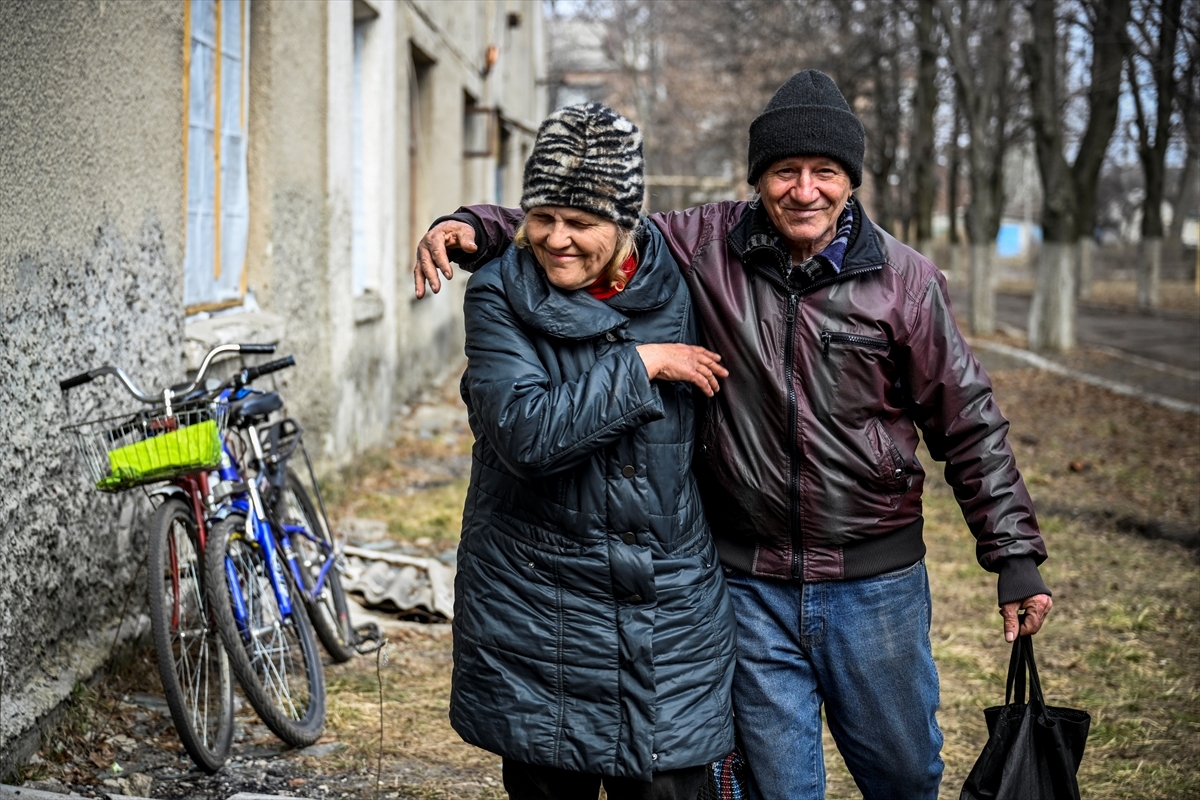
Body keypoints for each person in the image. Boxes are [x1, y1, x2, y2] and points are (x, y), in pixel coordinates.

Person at [416, 72, 1053, 800]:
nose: (804, 190)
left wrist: (1015, 555)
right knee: (779, 788)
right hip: (749, 581)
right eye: (785, 171)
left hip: (873, 581)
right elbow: (587, 221)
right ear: (760, 180)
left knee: (904, 774)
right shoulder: (706, 248)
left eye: (825, 172)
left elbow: (967, 420)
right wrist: (477, 225)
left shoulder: (905, 283)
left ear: (851, 181)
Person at [443, 102, 737, 800]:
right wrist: (642, 365)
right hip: (536, 611)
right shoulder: (497, 295)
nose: (557, 239)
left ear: (628, 224)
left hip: (667, 609)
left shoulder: (684, 275)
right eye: (542, 217)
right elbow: (525, 433)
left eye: (582, 223)